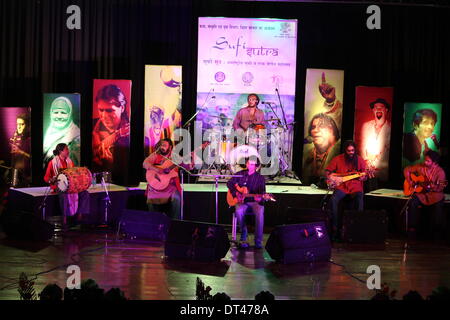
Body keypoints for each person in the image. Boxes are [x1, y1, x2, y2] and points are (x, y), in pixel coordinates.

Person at [143, 138, 196, 219]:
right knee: (151, 201)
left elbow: (188, 167)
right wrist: (158, 169)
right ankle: (154, 224)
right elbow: (145, 164)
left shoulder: (175, 157)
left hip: (171, 187)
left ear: (170, 147)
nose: (161, 147)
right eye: (161, 145)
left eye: (164, 145)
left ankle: (174, 223)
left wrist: (193, 159)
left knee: (177, 199)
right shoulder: (155, 155)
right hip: (155, 186)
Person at [325, 140, 367, 240]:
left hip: (355, 186)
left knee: (359, 199)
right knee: (333, 200)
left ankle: (357, 229)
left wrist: (363, 178)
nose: (351, 153)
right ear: (345, 151)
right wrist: (331, 179)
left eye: (352, 150)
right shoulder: (338, 159)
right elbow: (327, 171)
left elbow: (364, 176)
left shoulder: (360, 160)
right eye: (349, 151)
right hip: (342, 186)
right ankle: (335, 229)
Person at [403, 150, 447, 241]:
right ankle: (412, 228)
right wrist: (410, 181)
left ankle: (436, 232)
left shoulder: (440, 172)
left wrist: (432, 187)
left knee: (438, 206)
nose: (425, 162)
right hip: (423, 195)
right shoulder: (421, 167)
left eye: (428, 161)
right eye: (425, 160)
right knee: (413, 200)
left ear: (434, 163)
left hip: (435, 195)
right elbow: (407, 169)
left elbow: (440, 188)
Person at [44, 143, 90, 228]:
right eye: (66, 149)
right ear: (60, 151)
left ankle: (80, 216)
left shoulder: (69, 161)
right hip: (59, 187)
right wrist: (52, 180)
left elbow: (73, 175)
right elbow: (46, 177)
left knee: (85, 193)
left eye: (67, 149)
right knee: (64, 195)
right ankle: (64, 218)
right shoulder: (53, 163)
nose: (68, 151)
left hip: (71, 186)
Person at [226, 156, 266, 249]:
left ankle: (258, 241)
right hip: (241, 202)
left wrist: (260, 198)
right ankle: (243, 233)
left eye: (251, 164)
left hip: (254, 201)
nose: (248, 165)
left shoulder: (260, 178)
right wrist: (235, 193)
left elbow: (262, 193)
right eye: (248, 163)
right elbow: (229, 183)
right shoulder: (240, 174)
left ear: (256, 166)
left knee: (260, 212)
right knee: (238, 211)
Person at [92, 84, 130, 173]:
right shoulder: (93, 125)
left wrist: (112, 164)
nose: (104, 116)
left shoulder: (130, 134)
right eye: (101, 110)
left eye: (109, 110)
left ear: (122, 108)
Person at [43, 96, 80, 167]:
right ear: (51, 113)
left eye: (63, 112)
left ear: (70, 114)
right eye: (56, 112)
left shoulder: (76, 136)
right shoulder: (47, 133)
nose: (59, 116)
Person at [303, 113, 341, 182]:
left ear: (332, 130)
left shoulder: (340, 152)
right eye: (313, 127)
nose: (315, 130)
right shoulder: (307, 156)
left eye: (321, 126)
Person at [360, 98, 391, 180]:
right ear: (373, 110)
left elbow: (387, 152)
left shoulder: (391, 128)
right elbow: (362, 148)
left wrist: (374, 164)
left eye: (381, 107)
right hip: (366, 171)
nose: (379, 109)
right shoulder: (366, 126)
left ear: (386, 110)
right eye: (376, 107)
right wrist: (367, 163)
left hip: (383, 173)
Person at [10, 113, 31, 187]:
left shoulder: (29, 139)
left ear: (28, 126)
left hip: (27, 175)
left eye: (22, 124)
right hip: (16, 172)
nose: (18, 127)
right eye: (17, 124)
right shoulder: (16, 137)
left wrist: (21, 152)